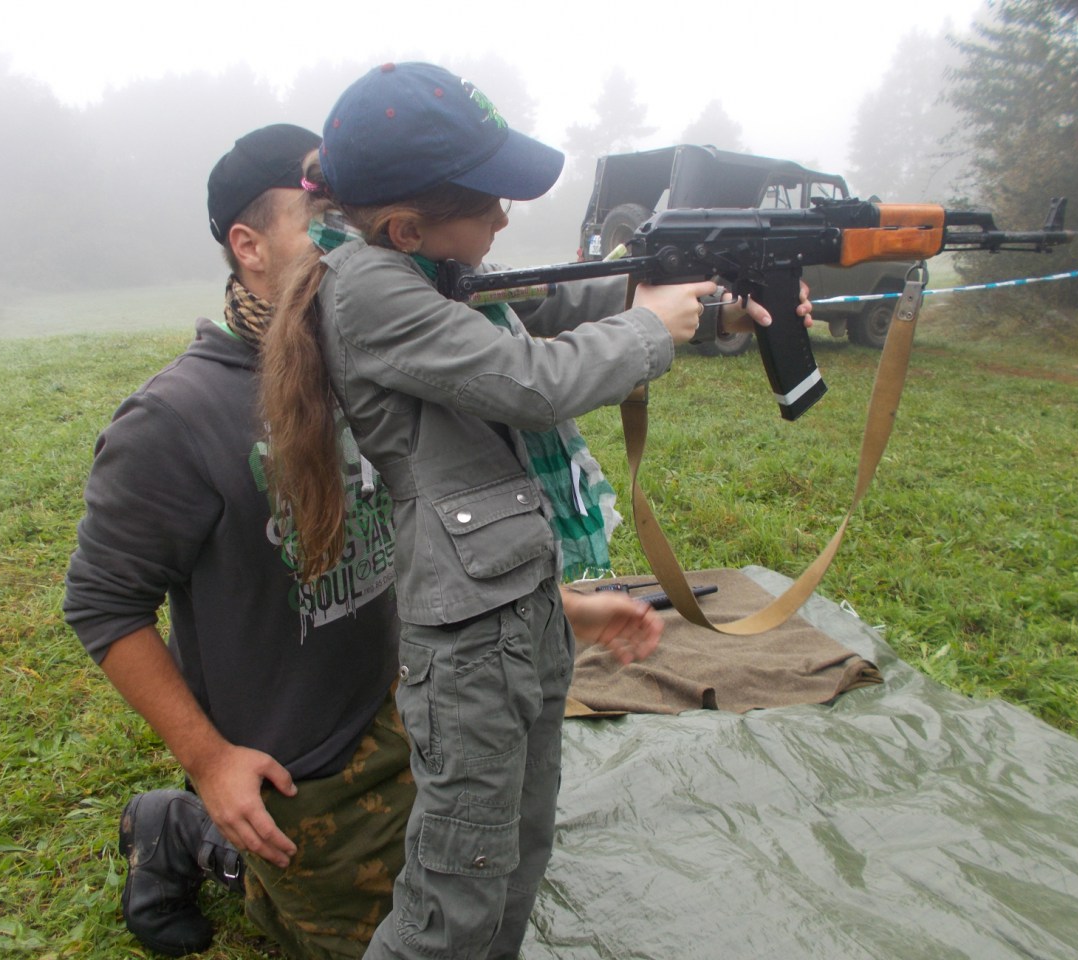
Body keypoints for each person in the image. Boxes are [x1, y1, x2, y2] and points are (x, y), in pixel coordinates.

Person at [64, 122, 667, 959]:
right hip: (306, 763)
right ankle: (187, 829)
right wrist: (208, 760)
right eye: (323, 220)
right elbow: (102, 605)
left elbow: (424, 530)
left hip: (415, 700)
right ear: (248, 247)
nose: (355, 243)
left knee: (483, 874)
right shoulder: (174, 420)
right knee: (407, 934)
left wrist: (565, 607)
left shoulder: (391, 352)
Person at [259, 63, 811, 960]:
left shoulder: (426, 268)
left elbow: (552, 298)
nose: (505, 219)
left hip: (518, 610)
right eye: (489, 203)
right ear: (406, 226)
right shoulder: (371, 291)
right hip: (470, 646)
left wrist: (712, 304)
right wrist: (651, 326)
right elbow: (531, 380)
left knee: (516, 851)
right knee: (455, 892)